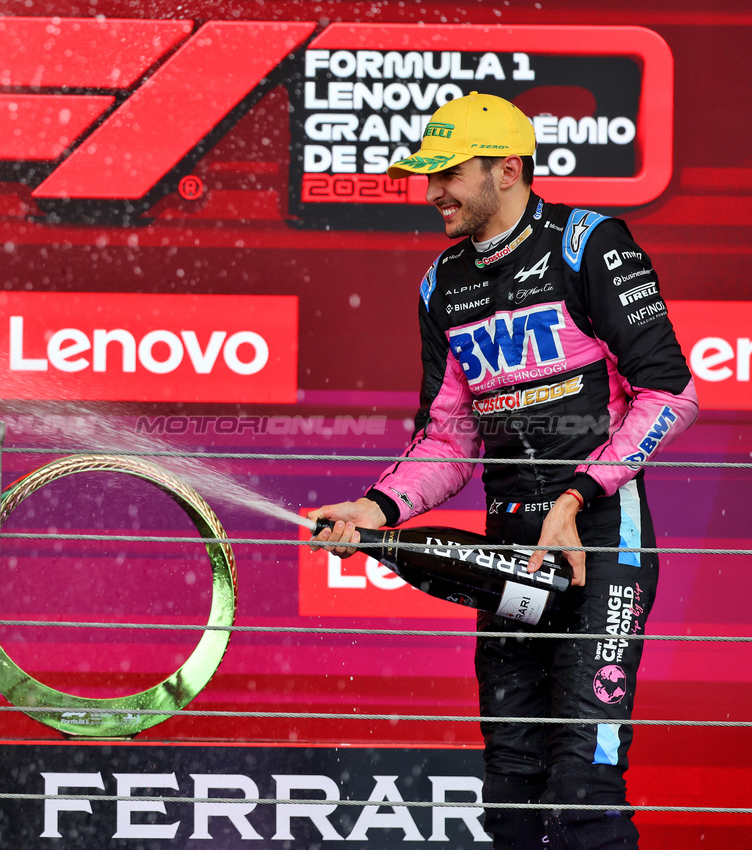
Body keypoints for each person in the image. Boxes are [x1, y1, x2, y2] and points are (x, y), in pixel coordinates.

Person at [309, 92, 697, 849]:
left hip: (599, 548)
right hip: (507, 558)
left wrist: (577, 495)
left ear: (507, 170)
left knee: (583, 787)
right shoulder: (441, 283)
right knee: (511, 789)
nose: (430, 194)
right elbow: (448, 440)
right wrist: (377, 509)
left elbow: (669, 394)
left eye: (447, 175)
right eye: (427, 177)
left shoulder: (588, 245)